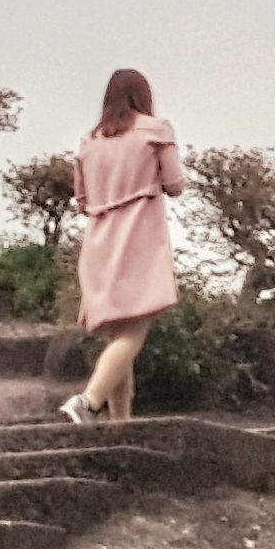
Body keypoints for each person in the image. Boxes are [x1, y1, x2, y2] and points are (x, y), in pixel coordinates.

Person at [61, 67, 183, 426]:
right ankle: (88, 401)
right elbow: (175, 183)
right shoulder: (156, 131)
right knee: (133, 333)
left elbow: (81, 199)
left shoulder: (89, 142)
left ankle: (121, 423)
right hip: (138, 240)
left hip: (99, 243)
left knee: (118, 336)